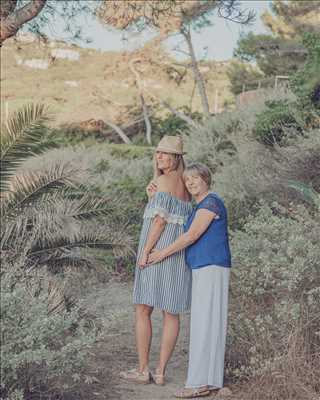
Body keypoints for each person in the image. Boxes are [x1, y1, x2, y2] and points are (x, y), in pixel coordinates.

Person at [147, 162, 231, 398]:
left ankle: (197, 383)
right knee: (210, 323)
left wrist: (161, 253)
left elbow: (191, 235)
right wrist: (154, 197)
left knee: (205, 324)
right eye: (187, 180)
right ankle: (211, 381)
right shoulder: (200, 205)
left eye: (195, 178)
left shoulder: (211, 203)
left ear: (206, 178)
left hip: (210, 266)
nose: (191, 182)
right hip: (207, 266)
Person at [120, 136, 192, 385]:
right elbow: (171, 216)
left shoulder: (162, 181)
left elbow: (160, 221)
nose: (160, 157)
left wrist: (145, 252)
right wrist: (151, 199)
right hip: (176, 255)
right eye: (158, 152)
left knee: (143, 309)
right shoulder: (185, 186)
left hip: (156, 252)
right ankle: (161, 371)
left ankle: (142, 370)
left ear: (177, 158)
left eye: (166, 154)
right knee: (171, 313)